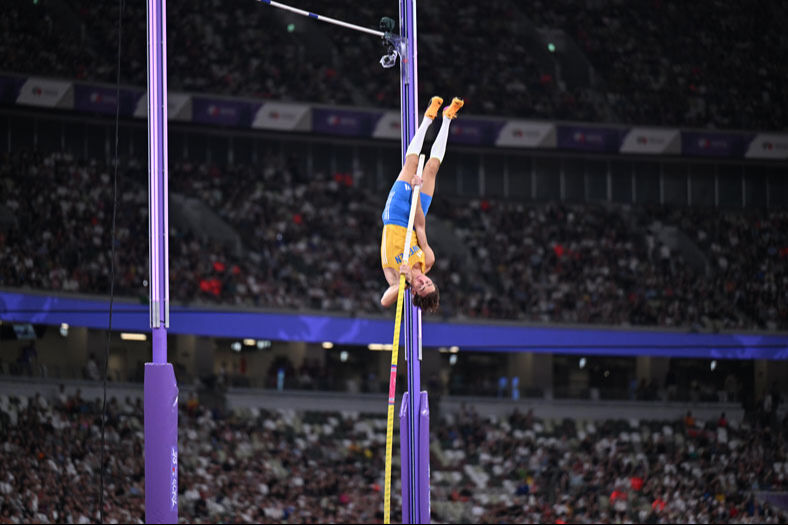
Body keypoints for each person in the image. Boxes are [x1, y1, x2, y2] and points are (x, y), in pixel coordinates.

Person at [379, 95, 464, 312]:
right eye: (429, 282)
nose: (423, 281)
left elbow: (384, 301)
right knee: (431, 170)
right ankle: (446, 118)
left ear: (415, 292)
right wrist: (416, 192)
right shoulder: (428, 260)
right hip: (415, 213)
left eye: (422, 287)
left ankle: (426, 119)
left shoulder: (398, 279)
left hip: (394, 215)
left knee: (412, 163)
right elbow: (420, 226)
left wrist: (404, 283)